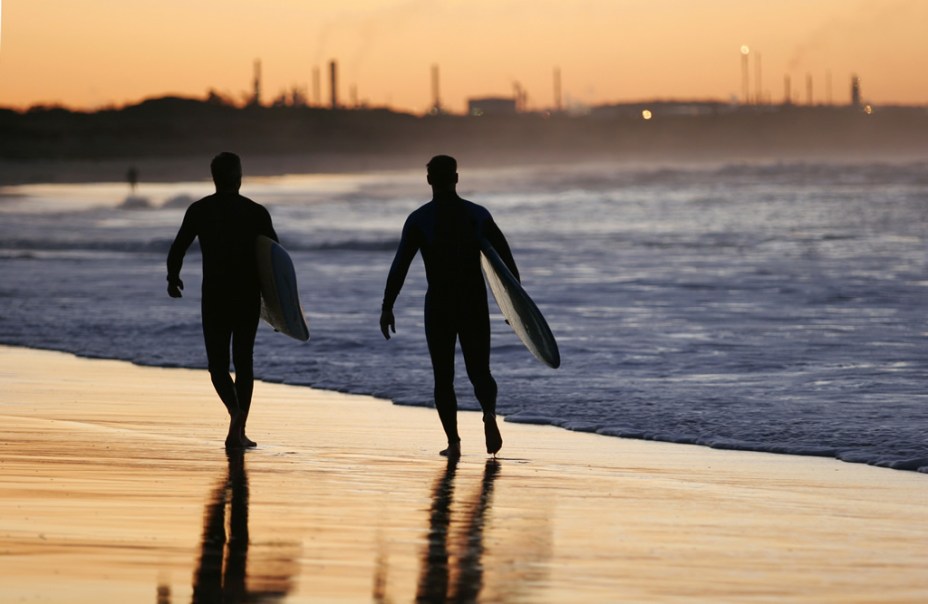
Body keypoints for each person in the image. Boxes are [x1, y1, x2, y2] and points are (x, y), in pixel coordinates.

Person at [380, 155, 520, 458]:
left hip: (439, 305)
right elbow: (506, 263)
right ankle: (489, 415)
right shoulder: (477, 215)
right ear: (456, 178)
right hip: (473, 302)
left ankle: (454, 442)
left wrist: (387, 305)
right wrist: (515, 308)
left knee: (443, 376)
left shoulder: (419, 219)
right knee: (480, 370)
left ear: (429, 180)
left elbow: (400, 266)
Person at [167, 152, 278, 449]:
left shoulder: (200, 210)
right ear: (239, 177)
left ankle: (234, 415)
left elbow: (177, 248)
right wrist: (280, 309)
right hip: (246, 296)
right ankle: (238, 429)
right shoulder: (256, 213)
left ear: (214, 177)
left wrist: (172, 278)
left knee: (217, 365)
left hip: (214, 296)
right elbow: (276, 263)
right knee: (244, 362)